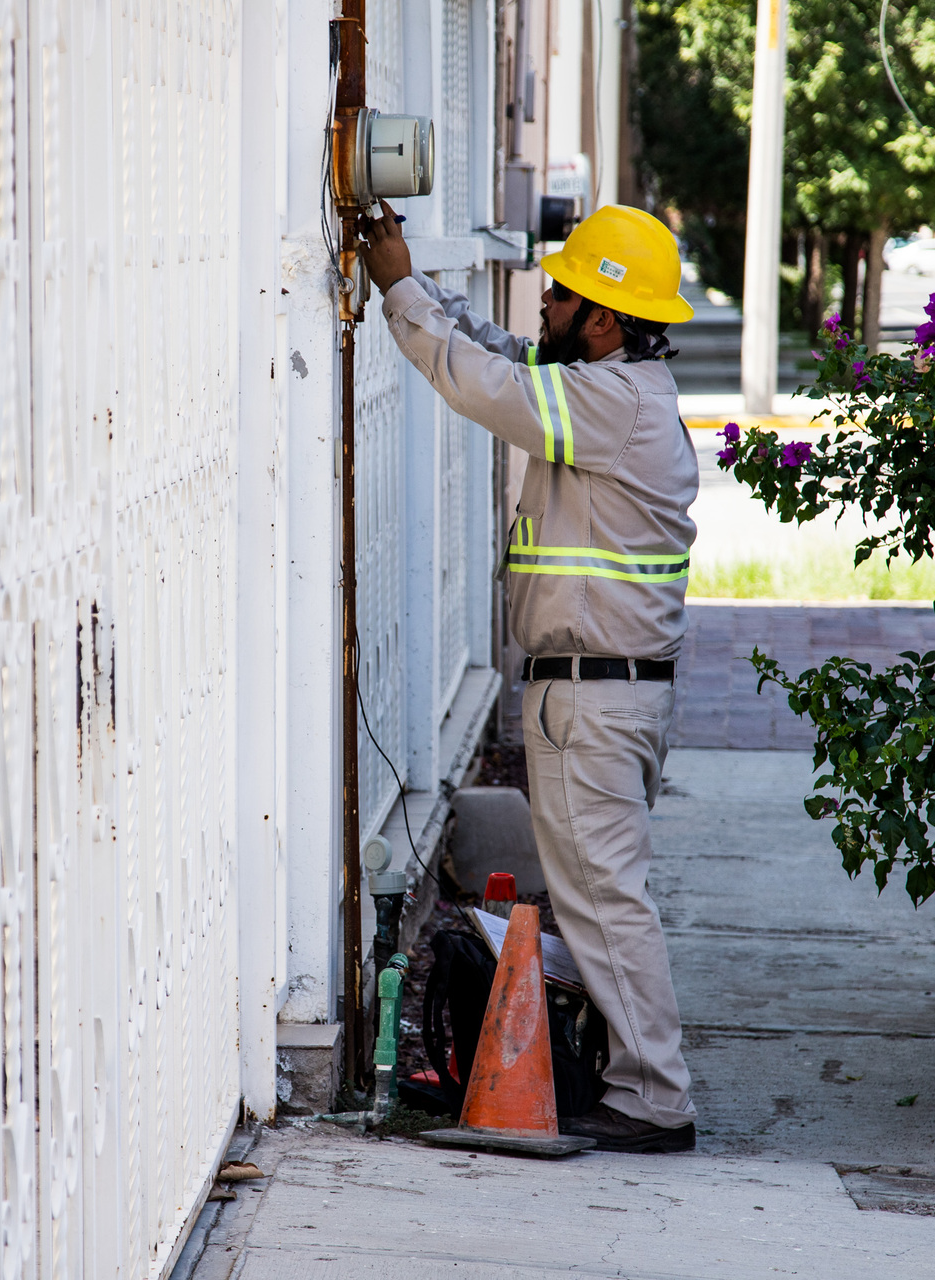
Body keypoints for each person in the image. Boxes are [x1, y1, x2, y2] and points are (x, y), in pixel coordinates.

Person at [358, 201, 700, 1153]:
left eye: (562, 294)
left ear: (605, 318)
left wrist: (395, 289)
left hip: (594, 695)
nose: (543, 302)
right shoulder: (615, 388)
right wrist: (420, 290)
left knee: (602, 893)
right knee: (599, 891)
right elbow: (506, 356)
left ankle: (654, 1095)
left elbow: (485, 387)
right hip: (603, 690)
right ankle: (633, 1076)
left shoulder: (609, 403)